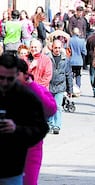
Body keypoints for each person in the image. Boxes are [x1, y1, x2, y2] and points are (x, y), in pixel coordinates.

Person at [0, 54, 49, 185]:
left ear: (17, 75)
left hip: (12, 168)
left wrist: (17, 129)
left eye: (9, 79)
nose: (4, 83)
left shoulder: (26, 98)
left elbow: (41, 128)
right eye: (1, 78)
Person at [14, 56, 56, 185]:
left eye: (14, 75)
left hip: (30, 149)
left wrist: (32, 85)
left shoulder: (36, 90)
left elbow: (50, 109)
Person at [48, 40, 73, 134]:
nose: (57, 50)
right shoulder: (48, 58)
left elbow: (68, 74)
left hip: (60, 86)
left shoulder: (65, 59)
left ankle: (57, 126)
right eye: (55, 48)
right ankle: (50, 123)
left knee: (58, 106)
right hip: (49, 86)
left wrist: (70, 89)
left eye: (59, 48)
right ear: (52, 48)